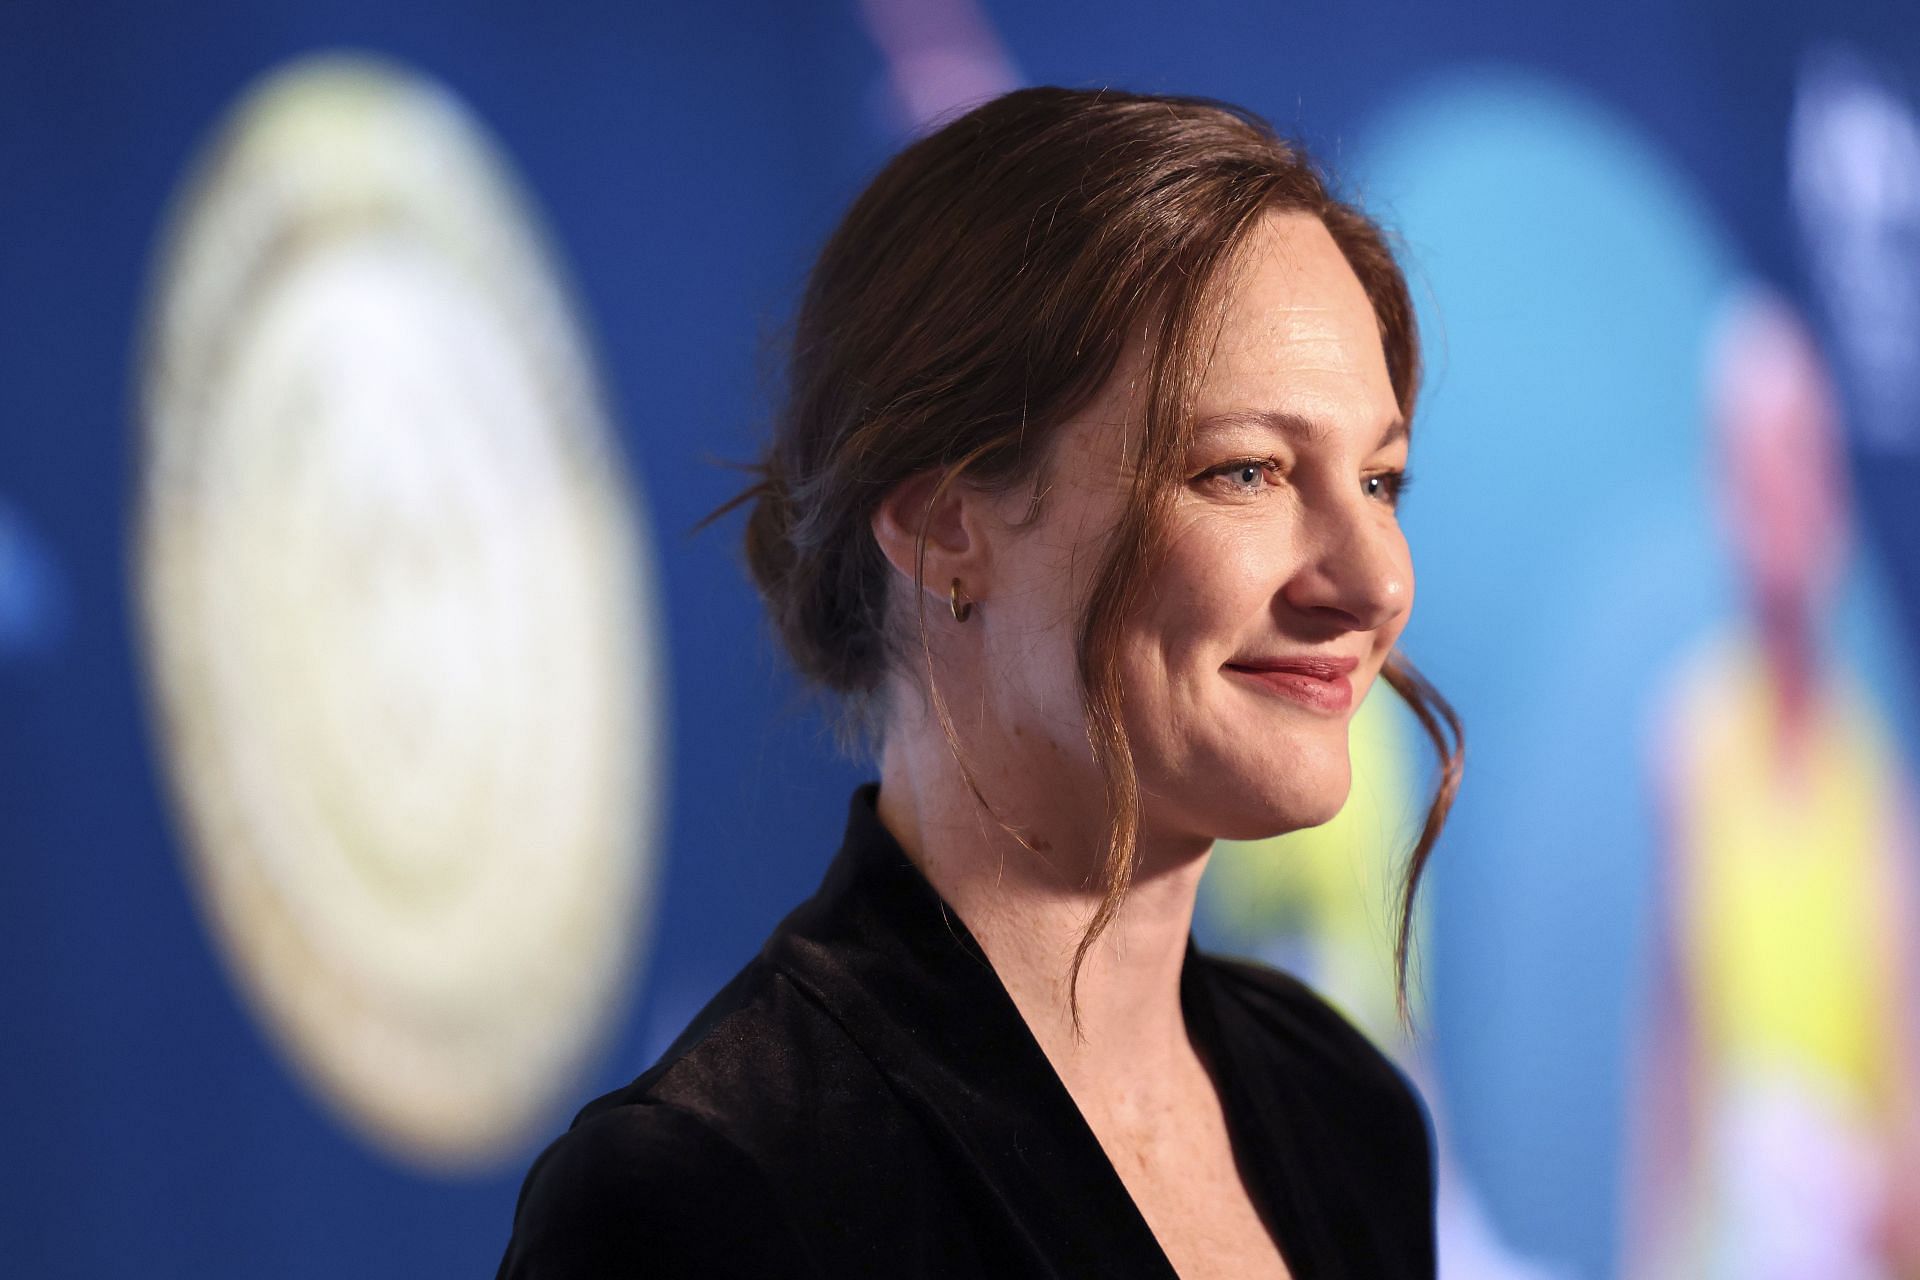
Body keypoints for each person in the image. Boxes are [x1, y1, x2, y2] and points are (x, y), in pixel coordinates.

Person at [495, 85, 1461, 1279]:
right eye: (1246, 471)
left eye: (1380, 480)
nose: (1375, 580)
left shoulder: (1345, 1111)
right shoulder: (714, 1194)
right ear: (944, 524)